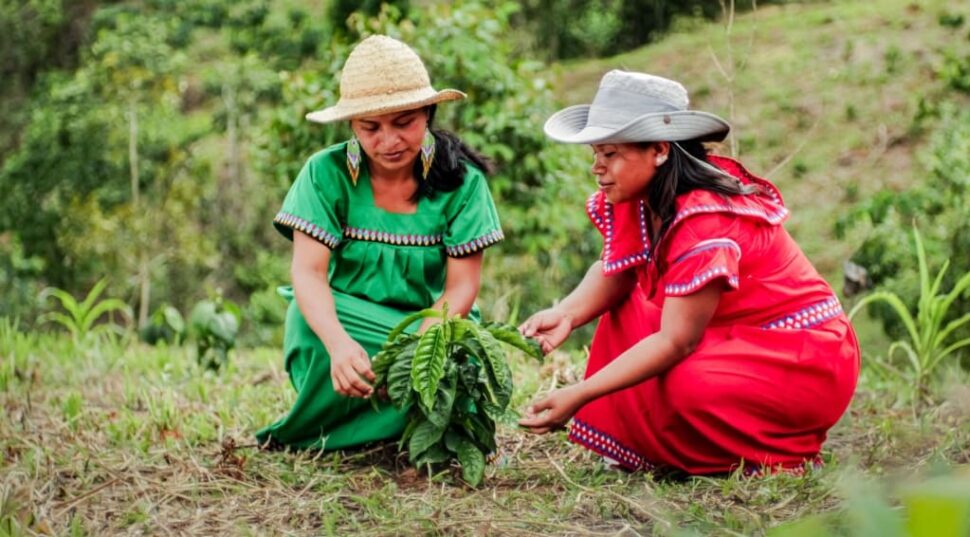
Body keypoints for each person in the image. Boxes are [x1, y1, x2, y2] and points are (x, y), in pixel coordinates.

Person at [518, 70, 860, 475]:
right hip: (735, 333)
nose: (598, 167)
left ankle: (776, 453)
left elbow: (677, 341)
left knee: (687, 385)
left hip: (797, 353)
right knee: (628, 314)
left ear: (660, 150)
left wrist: (581, 394)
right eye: (596, 154)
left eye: (610, 154)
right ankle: (661, 445)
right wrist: (568, 314)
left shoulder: (703, 218)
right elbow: (619, 270)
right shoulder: (640, 195)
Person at [256, 35, 503, 451]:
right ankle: (338, 423)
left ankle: (405, 427)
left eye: (403, 122)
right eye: (370, 127)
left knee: (459, 360)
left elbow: (461, 287)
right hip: (350, 322)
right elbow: (308, 273)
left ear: (428, 112)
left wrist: (415, 356)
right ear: (352, 125)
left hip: (430, 323)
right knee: (306, 317)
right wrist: (337, 342)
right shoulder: (324, 173)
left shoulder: (464, 183)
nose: (388, 141)